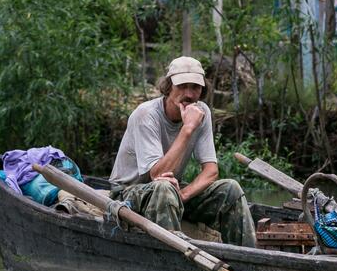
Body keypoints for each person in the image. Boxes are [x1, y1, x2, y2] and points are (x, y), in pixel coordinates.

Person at [109, 56, 256, 247]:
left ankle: (248, 258)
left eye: (195, 87)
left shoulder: (201, 112)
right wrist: (187, 129)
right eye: (182, 86)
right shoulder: (146, 114)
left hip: (171, 191)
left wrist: (184, 195)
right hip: (127, 193)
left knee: (230, 189)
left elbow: (211, 171)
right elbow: (157, 175)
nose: (189, 94)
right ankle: (174, 264)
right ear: (169, 87)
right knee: (164, 187)